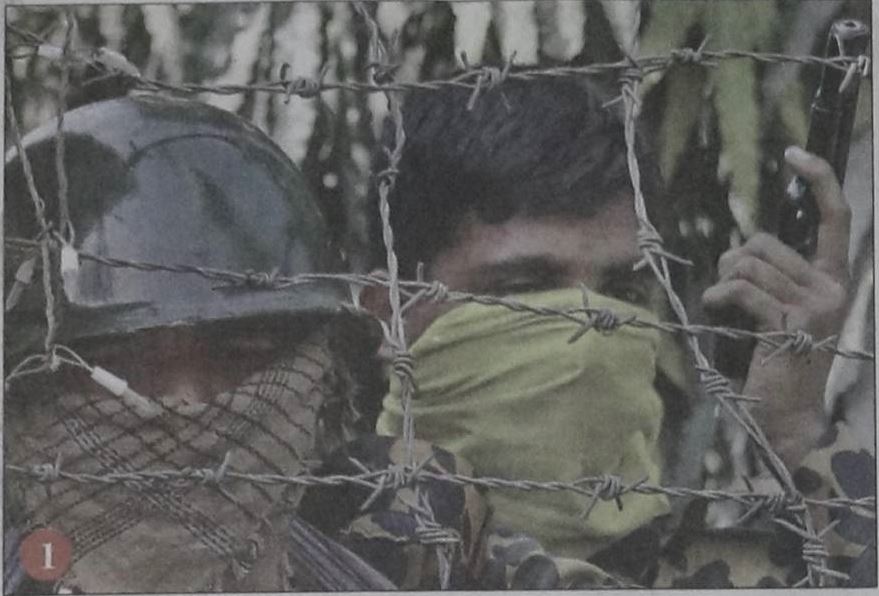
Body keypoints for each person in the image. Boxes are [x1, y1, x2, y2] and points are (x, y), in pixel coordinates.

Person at [312, 76, 874, 588]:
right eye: (527, 287)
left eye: (622, 292)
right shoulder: (303, 553)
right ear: (389, 312)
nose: (590, 328)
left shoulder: (708, 576)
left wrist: (796, 428)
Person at [3, 93, 398, 593]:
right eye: (125, 360)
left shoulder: (368, 569)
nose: (188, 401)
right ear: (25, 385)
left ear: (320, 368)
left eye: (241, 353)